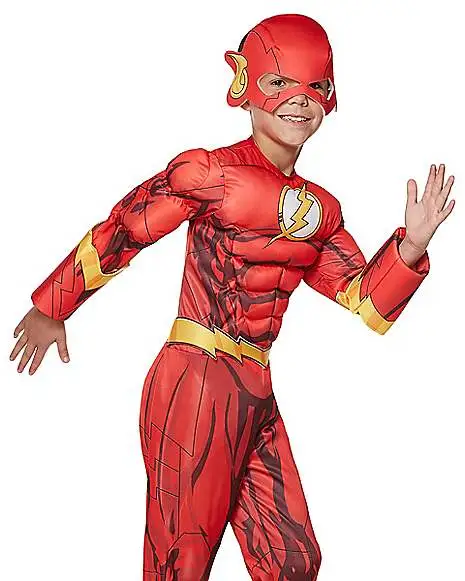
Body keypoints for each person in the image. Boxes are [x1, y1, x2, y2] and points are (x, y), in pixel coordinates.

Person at [9, 13, 455, 581]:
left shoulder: (322, 209)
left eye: (315, 87)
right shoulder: (209, 171)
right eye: (280, 83)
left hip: (256, 389)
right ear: (245, 83)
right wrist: (52, 306)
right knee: (181, 561)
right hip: (196, 379)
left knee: (293, 562)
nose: (300, 101)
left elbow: (365, 302)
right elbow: (126, 229)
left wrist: (411, 246)